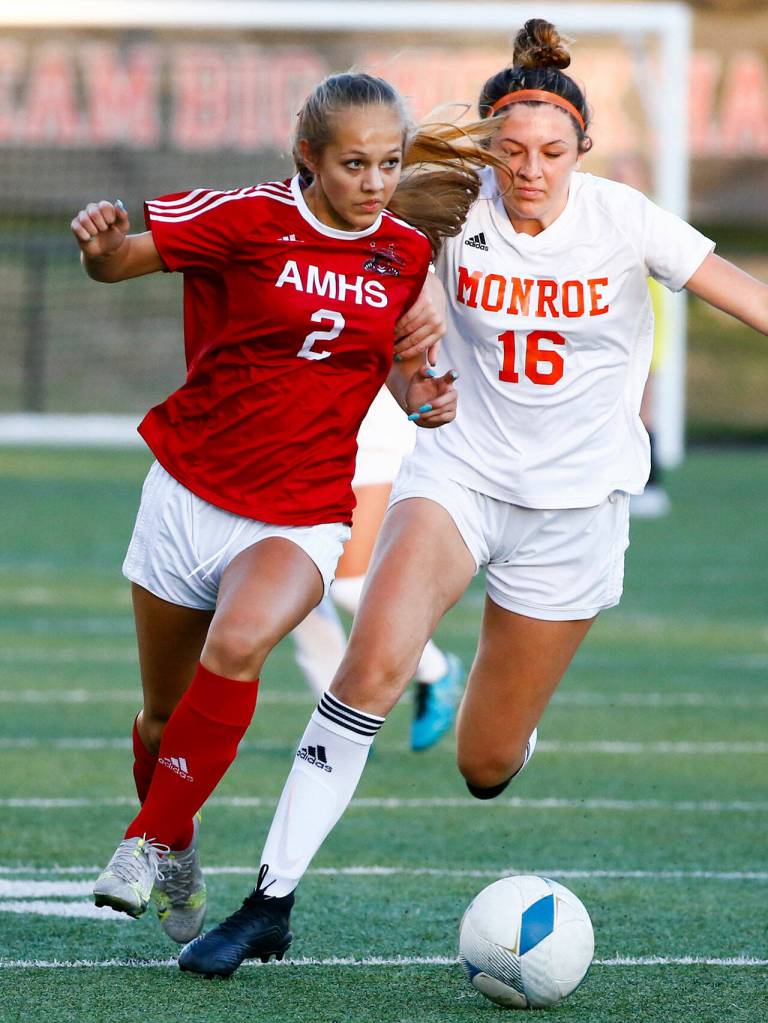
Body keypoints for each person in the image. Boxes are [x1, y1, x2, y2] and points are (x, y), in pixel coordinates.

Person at [178, 19, 768, 979]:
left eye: (550, 151)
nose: (529, 169)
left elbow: (746, 295)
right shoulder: (447, 209)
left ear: (583, 148)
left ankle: (506, 716)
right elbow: (328, 213)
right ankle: (270, 901)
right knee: (369, 667)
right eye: (511, 150)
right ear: (489, 148)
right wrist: (413, 370)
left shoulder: (626, 219)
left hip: (575, 515)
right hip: (458, 478)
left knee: (484, 764)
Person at [70, 72, 498, 944]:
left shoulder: (405, 253)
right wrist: (101, 245)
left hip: (298, 509)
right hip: (188, 489)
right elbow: (120, 264)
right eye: (353, 164)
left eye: (389, 163)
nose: (375, 183)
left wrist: (422, 396)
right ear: (308, 156)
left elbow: (390, 364)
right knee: (162, 713)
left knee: (239, 644)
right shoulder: (245, 218)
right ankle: (179, 846)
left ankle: (144, 841)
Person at [291, 385, 464, 751]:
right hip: (307, 426)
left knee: (349, 586)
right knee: (297, 579)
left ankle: (435, 669)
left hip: (374, 431)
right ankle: (333, 727)